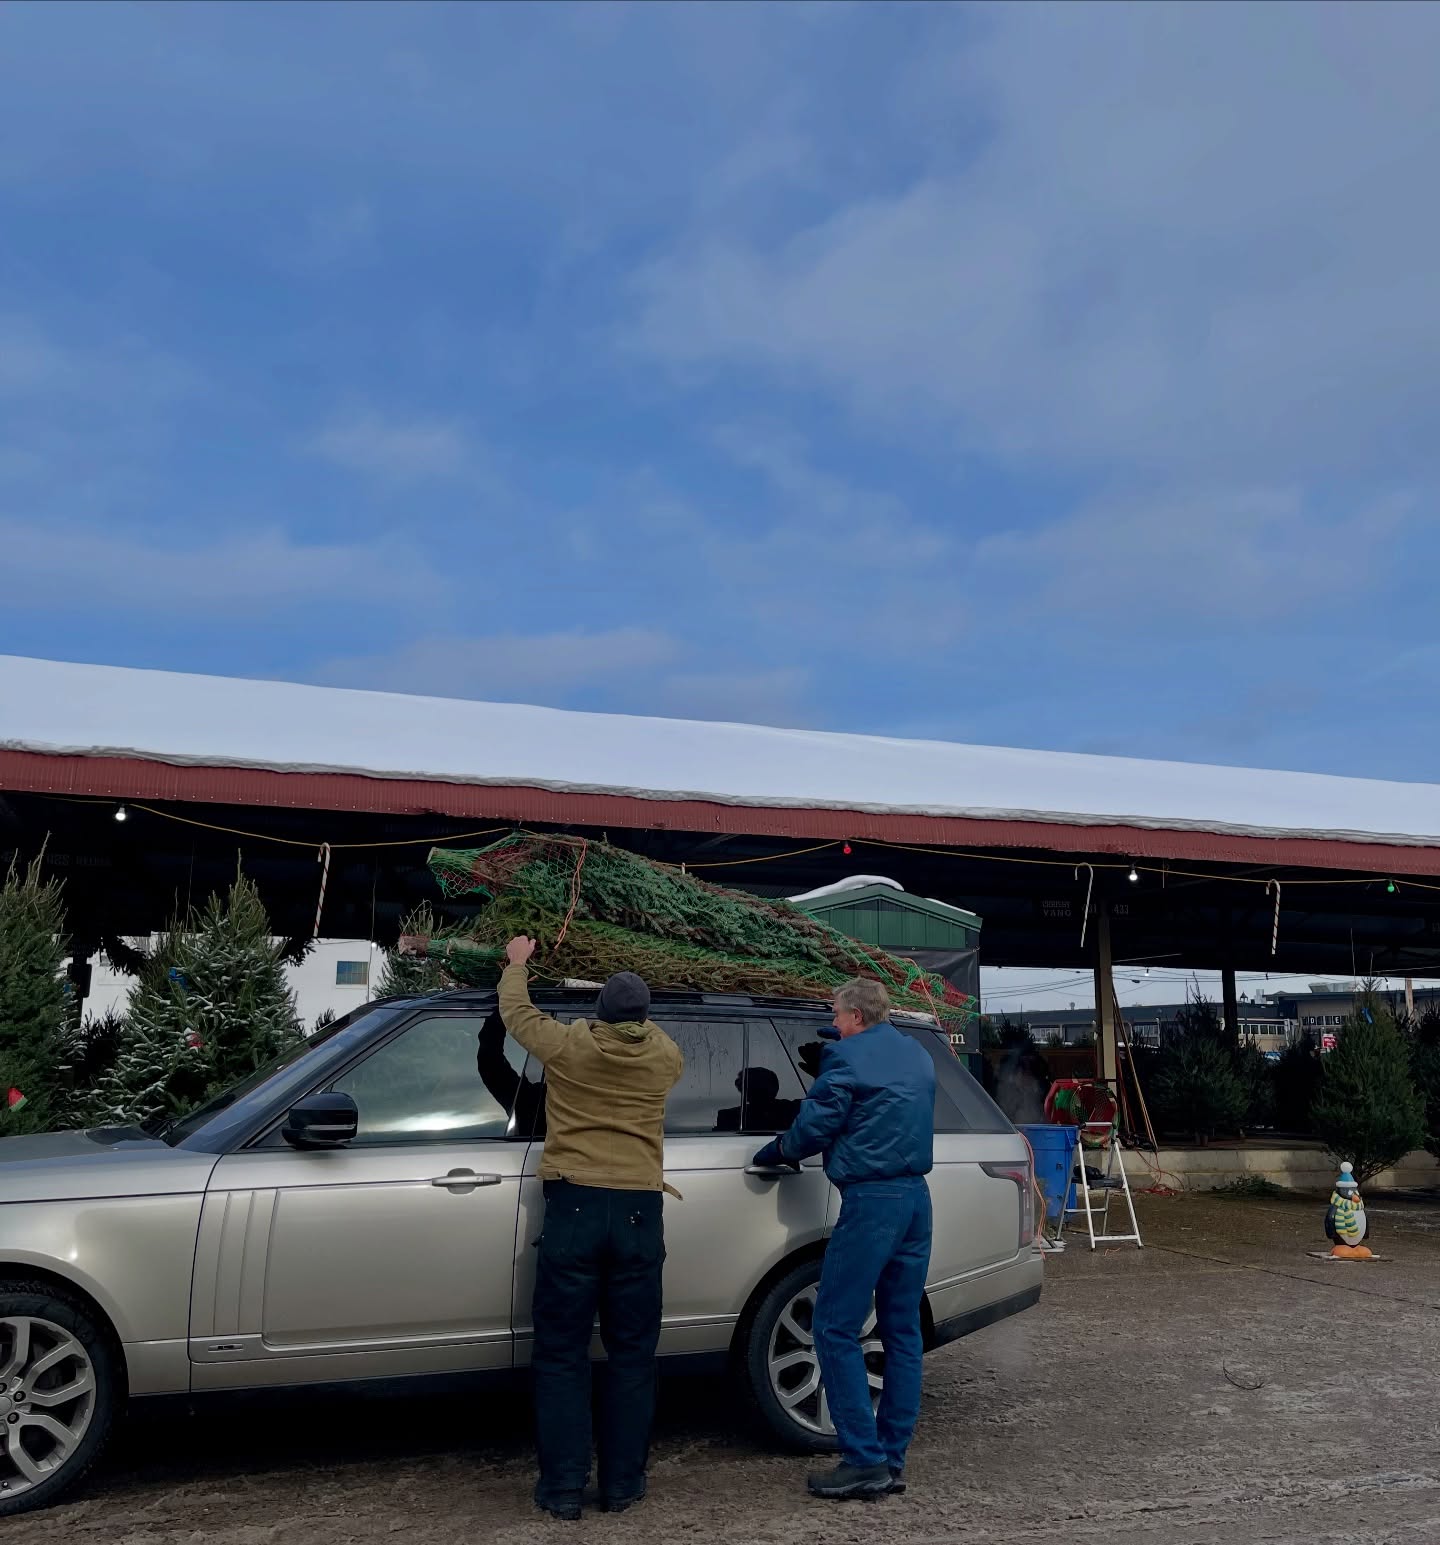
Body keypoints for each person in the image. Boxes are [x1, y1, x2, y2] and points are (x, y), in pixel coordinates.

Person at [498, 936, 684, 1521]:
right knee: (633, 1355)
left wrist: (518, 964)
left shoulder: (568, 1047)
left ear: (598, 1012)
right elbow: (652, 1042)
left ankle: (561, 1490)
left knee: (560, 1354)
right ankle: (624, 1485)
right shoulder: (666, 1057)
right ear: (645, 1017)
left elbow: (517, 1014)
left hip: (575, 1206)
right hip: (637, 1213)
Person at [751, 978, 935, 1501]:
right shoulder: (918, 1053)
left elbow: (812, 1131)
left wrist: (774, 1152)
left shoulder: (846, 1059)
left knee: (833, 1326)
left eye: (836, 1013)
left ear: (854, 1016)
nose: (833, 1021)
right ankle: (890, 1459)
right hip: (916, 1199)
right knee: (901, 1331)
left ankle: (862, 1460)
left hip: (872, 1202)